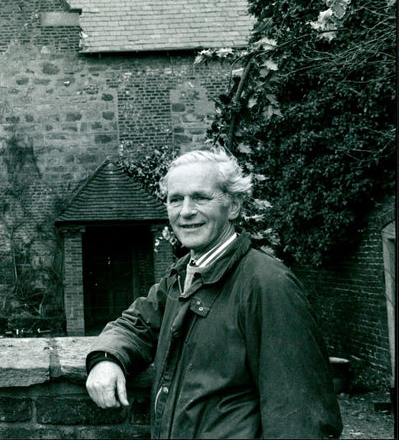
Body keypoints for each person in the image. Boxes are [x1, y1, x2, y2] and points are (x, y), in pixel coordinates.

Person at [85, 147, 342, 438]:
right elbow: (137, 324)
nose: (185, 212)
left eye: (200, 198)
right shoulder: (183, 274)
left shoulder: (268, 284)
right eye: (175, 200)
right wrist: (107, 358)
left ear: (233, 206)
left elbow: (299, 417)